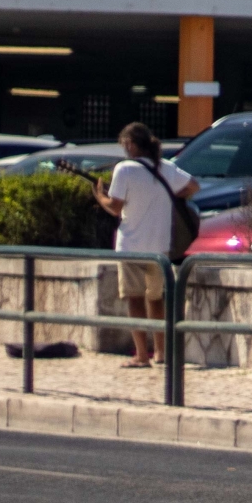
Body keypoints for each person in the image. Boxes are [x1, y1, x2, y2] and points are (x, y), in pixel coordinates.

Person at [94, 121, 196, 369]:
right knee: (156, 299)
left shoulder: (125, 170)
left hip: (131, 244)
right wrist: (168, 196)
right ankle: (160, 352)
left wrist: (100, 197)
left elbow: (115, 207)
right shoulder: (166, 168)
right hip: (159, 245)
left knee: (134, 299)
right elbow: (193, 186)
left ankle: (141, 355)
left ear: (129, 144)